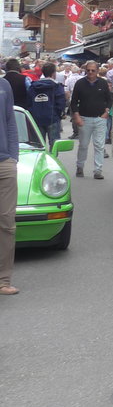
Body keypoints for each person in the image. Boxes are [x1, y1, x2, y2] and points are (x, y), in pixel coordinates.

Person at [69, 60, 113, 180]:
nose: (90, 72)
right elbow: (74, 102)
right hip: (84, 118)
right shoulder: (80, 83)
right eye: (88, 70)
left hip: (100, 118)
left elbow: (109, 99)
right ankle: (80, 166)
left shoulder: (103, 83)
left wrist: (106, 112)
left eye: (93, 70)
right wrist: (77, 116)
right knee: (83, 145)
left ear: (97, 71)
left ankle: (98, 170)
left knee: (99, 145)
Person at [0, 75, 19, 295]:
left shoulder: (4, 85)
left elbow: (10, 122)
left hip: (4, 163)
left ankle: (3, 281)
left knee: (6, 223)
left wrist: (13, 157)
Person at [28, 62, 66, 144]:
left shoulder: (33, 86)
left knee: (38, 145)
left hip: (37, 118)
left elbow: (29, 102)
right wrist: (59, 115)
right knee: (54, 144)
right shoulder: (57, 86)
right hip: (53, 118)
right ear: (53, 73)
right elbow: (61, 103)